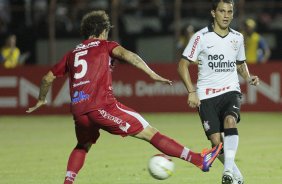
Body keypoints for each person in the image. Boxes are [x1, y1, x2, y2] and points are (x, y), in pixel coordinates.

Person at [26, 10, 222, 184]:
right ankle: (199, 160)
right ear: (103, 31)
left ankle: (68, 181)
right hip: (102, 106)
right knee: (151, 133)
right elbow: (129, 56)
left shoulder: (72, 54)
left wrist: (42, 99)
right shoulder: (105, 45)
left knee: (83, 145)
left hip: (79, 111)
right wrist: (152, 74)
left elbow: (47, 78)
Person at [177, 1, 259, 184]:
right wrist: (191, 91)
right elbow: (183, 64)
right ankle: (237, 177)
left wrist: (248, 77)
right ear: (213, 13)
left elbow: (240, 63)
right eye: (222, 11)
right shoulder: (201, 37)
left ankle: (227, 172)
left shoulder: (237, 37)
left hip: (231, 90)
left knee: (230, 120)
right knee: (216, 142)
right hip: (206, 95)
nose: (226, 15)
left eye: (230, 11)